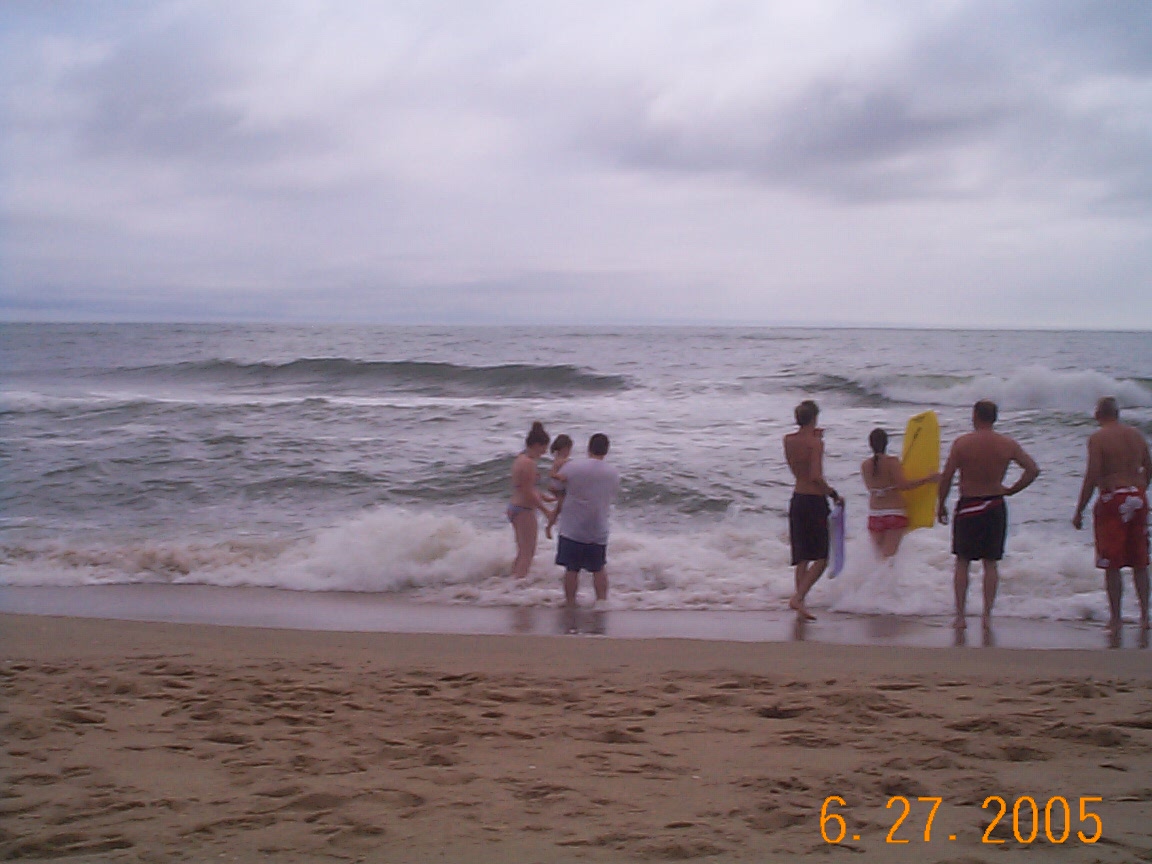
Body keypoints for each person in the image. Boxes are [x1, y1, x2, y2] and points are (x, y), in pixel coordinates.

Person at [937, 400, 1040, 630]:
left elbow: (947, 476)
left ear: (975, 415)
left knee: (963, 561)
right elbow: (1033, 470)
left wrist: (941, 504)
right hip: (994, 504)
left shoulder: (962, 443)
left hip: (969, 505)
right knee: (990, 563)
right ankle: (986, 616)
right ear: (994, 418)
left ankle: (960, 616)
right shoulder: (1007, 444)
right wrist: (1011, 490)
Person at [1072, 396, 1151, 632]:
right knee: (1140, 561)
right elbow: (1149, 465)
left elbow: (1093, 474)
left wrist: (1080, 509)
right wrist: (1141, 488)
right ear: (1117, 414)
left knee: (1112, 563)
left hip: (1113, 499)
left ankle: (1116, 617)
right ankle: (1145, 616)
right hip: (1137, 497)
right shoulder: (1136, 435)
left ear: (1098, 415)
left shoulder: (1098, 438)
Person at [783, 400, 842, 621]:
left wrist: (813, 437)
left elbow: (801, 465)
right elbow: (816, 476)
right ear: (815, 418)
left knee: (802, 557)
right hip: (814, 501)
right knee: (822, 557)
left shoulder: (788, 440)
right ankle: (798, 597)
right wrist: (833, 494)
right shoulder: (815, 444)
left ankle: (801, 603)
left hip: (797, 499)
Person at [554, 433, 620, 606]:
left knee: (572, 569)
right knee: (598, 568)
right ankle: (602, 602)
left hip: (573, 527)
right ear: (606, 450)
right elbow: (611, 494)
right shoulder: (613, 473)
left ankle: (570, 603)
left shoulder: (573, 466)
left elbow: (555, 487)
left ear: (589, 447)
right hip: (598, 527)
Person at [861, 428, 939, 559]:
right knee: (889, 558)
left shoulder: (865, 465)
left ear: (870, 444)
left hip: (875, 515)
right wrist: (927, 479)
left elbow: (871, 489)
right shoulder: (892, 462)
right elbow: (904, 486)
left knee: (878, 558)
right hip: (894, 513)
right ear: (886, 443)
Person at [508, 422, 555, 578]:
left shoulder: (520, 459)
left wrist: (545, 497)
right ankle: (518, 583)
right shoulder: (529, 464)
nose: (545, 451)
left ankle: (513, 580)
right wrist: (545, 511)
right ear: (536, 445)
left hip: (515, 507)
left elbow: (525, 487)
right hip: (524, 510)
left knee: (522, 551)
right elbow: (528, 492)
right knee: (528, 552)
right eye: (544, 447)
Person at [544, 434, 573, 540]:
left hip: (559, 487)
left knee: (560, 508)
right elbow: (551, 473)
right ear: (563, 449)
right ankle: (549, 527)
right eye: (568, 449)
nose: (569, 452)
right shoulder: (560, 460)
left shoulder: (561, 459)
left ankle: (552, 524)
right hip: (556, 487)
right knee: (559, 509)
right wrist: (559, 476)